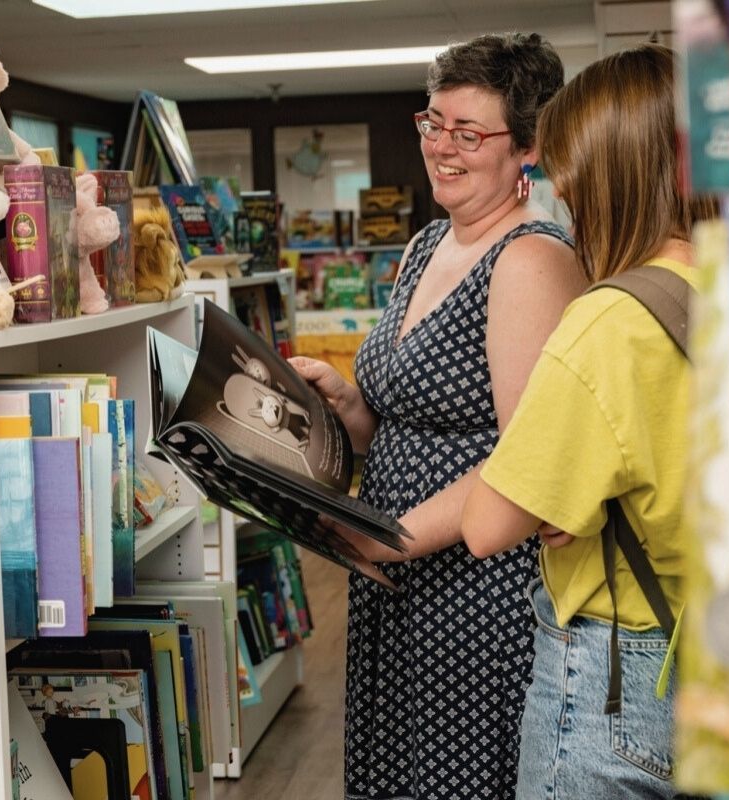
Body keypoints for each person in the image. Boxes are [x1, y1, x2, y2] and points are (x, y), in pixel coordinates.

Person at [291, 32, 586, 799]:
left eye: (468, 132)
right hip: (398, 579)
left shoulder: (529, 259)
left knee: (458, 779)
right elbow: (396, 427)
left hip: (477, 591)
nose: (441, 148)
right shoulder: (424, 245)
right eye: (432, 124)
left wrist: (387, 540)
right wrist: (346, 399)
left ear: (526, 147)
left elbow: (524, 461)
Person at [452, 44, 696, 798]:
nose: (555, 194)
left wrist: (560, 493)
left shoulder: (610, 321)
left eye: (561, 175)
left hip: (620, 678)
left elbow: (490, 524)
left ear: (603, 175)